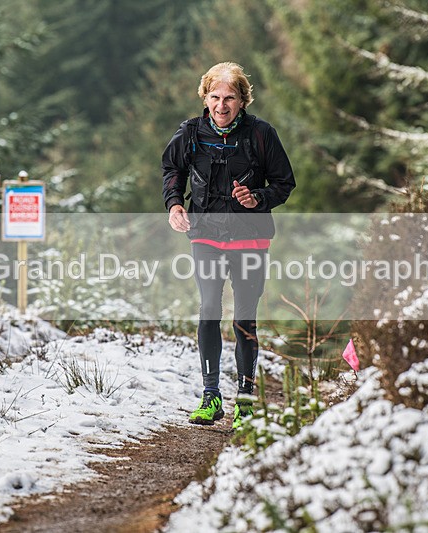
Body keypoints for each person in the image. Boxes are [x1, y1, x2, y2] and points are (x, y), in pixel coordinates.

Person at [162, 62, 296, 428]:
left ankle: (246, 400)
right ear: (205, 97)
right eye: (215, 97)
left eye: (230, 98)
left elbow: (284, 184)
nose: (222, 105)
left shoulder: (261, 134)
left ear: (242, 101)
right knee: (208, 308)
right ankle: (210, 395)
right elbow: (171, 170)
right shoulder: (190, 132)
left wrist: (257, 197)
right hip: (205, 233)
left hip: (250, 236)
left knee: (244, 317)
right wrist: (174, 204)